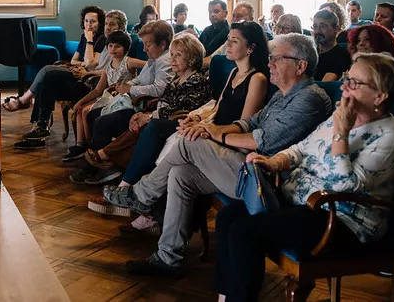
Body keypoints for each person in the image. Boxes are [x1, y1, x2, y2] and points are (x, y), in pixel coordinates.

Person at [103, 33, 332, 277]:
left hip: (267, 181)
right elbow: (248, 123)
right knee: (181, 174)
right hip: (247, 169)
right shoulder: (282, 94)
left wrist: (213, 134)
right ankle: (168, 257)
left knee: (187, 142)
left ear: (301, 65)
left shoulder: (309, 99)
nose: (270, 62)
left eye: (277, 58)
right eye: (271, 57)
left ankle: (141, 194)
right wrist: (208, 128)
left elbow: (262, 141)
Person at [215, 53, 394, 302]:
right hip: (304, 202)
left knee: (246, 231)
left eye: (355, 83)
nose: (344, 86)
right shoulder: (341, 117)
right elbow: (301, 148)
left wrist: (341, 133)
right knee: (228, 217)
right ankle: (225, 298)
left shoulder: (389, 135)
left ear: (380, 95)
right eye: (347, 78)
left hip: (343, 219)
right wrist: (273, 161)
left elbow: (345, 185)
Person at [96, 21, 269, 229]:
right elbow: (217, 109)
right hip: (212, 132)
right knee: (176, 151)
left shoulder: (257, 79)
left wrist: (207, 129)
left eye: (234, 41)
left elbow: (244, 124)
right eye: (228, 40)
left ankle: (136, 194)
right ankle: (147, 207)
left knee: (169, 135)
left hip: (227, 143)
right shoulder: (233, 73)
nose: (228, 45)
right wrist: (198, 119)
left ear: (250, 48)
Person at [82, 32, 212, 200]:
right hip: (162, 117)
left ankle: (110, 162)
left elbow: (181, 110)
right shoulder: (176, 80)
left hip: (181, 124)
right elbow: (164, 104)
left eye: (178, 55)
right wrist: (146, 114)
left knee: (148, 127)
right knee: (135, 124)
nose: (172, 59)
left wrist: (149, 116)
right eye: (171, 54)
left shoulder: (197, 82)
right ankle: (115, 170)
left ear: (192, 60)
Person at [69, 21, 173, 184]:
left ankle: (104, 168)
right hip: (132, 101)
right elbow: (140, 79)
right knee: (93, 114)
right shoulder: (154, 58)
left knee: (102, 122)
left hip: (143, 107)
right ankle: (99, 163)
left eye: (148, 44)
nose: (144, 49)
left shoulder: (165, 61)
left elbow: (159, 89)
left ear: (163, 44)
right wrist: (125, 86)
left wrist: (130, 90)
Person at [11, 8, 128, 147]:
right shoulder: (109, 42)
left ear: (121, 27)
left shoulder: (121, 45)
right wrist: (83, 68)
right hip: (85, 77)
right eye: (107, 24)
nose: (107, 28)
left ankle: (39, 124)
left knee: (48, 72)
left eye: (112, 25)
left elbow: (109, 70)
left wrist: (87, 71)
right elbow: (94, 63)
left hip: (93, 85)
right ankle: (39, 128)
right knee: (47, 81)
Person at [68, 30, 134, 157]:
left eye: (117, 46)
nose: (113, 49)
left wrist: (135, 84)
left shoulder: (129, 62)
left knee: (87, 112)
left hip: (122, 100)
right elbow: (98, 90)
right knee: (82, 109)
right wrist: (80, 102)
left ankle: (91, 145)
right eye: (110, 46)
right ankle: (84, 144)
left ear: (125, 48)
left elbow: (148, 65)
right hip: (108, 96)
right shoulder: (108, 67)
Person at [202, 2, 256, 69]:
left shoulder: (257, 38)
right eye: (233, 16)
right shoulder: (230, 37)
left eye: (239, 16)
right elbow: (213, 57)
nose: (235, 20)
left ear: (251, 19)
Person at [312, 9, 351, 81]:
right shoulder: (310, 52)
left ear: (336, 28)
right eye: (315, 26)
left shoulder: (341, 55)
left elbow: (325, 84)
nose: (317, 31)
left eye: (323, 26)